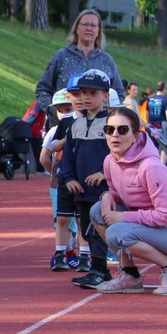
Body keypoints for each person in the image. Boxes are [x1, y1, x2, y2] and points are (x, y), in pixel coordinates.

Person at [90, 107, 167, 296]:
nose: (115, 135)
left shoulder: (151, 167)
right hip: (151, 226)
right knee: (97, 210)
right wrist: (108, 195)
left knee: (116, 232)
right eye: (109, 129)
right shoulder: (110, 161)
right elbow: (117, 192)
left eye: (122, 130)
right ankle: (130, 275)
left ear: (135, 136)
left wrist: (123, 217)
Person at [58, 69, 115, 289]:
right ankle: (98, 270)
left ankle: (101, 270)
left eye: (93, 93)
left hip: (104, 190)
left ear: (105, 96)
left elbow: (119, 155)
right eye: (83, 93)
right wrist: (68, 179)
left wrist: (104, 173)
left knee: (100, 230)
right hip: (81, 190)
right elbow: (67, 157)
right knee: (87, 231)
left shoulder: (112, 124)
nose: (86, 98)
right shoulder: (75, 125)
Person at [30, 8, 125, 128]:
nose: (89, 28)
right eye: (85, 24)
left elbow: (119, 93)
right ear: (77, 28)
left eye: (93, 25)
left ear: (98, 31)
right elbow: (42, 90)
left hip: (98, 129)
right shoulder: (62, 56)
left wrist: (107, 113)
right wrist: (55, 111)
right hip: (63, 128)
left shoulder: (107, 60)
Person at [40, 89, 81, 271]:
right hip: (60, 182)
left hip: (74, 179)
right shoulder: (54, 131)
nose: (64, 113)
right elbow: (44, 157)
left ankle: (69, 252)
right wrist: (55, 173)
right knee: (63, 220)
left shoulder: (79, 126)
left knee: (73, 221)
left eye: (68, 109)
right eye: (60, 110)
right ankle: (66, 252)